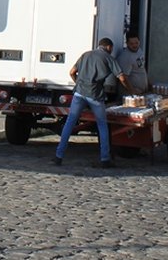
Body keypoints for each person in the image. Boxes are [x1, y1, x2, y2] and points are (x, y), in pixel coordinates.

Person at [54, 37, 132, 168]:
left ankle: (58, 156)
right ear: (108, 47)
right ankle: (105, 159)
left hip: (79, 94)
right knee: (102, 125)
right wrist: (131, 90)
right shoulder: (108, 58)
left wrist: (78, 83)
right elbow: (122, 77)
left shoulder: (86, 54)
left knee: (69, 123)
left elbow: (72, 72)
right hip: (95, 96)